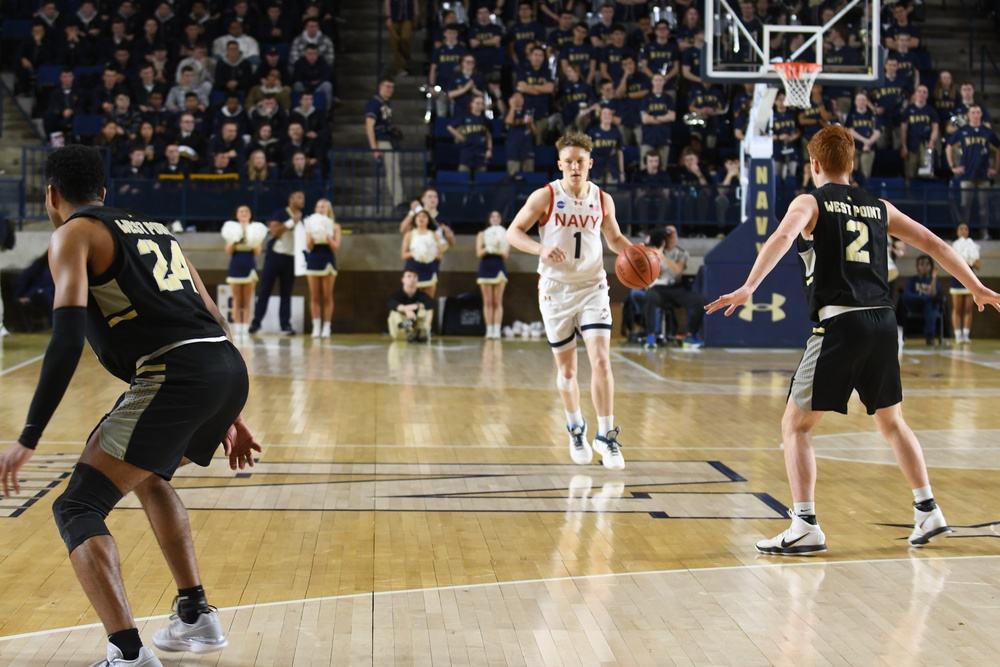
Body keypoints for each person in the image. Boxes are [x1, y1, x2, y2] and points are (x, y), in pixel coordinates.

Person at [0, 145, 261, 666]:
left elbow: (67, 339)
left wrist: (28, 437)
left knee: (77, 505)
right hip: (224, 362)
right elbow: (207, 309)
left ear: (52, 195)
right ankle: (196, 616)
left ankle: (128, 654)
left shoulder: (73, 233)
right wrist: (228, 406)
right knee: (148, 475)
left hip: (175, 374)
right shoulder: (157, 229)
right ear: (105, 191)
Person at [705, 125, 1000, 556]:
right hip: (883, 323)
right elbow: (934, 244)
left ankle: (805, 523)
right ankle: (928, 509)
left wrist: (750, 285)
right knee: (891, 422)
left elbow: (784, 236)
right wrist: (976, 287)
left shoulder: (810, 201)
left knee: (795, 425)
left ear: (815, 164)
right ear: (852, 163)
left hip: (842, 324)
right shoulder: (879, 206)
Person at [506, 132, 636, 470]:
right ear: (560, 164)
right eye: (569, 161)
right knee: (567, 370)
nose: (575, 166)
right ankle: (575, 426)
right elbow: (514, 232)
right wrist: (541, 248)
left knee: (602, 362)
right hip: (556, 289)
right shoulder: (545, 195)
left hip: (593, 286)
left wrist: (639, 255)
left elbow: (615, 238)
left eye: (581, 161)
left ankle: (606, 435)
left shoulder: (602, 199)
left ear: (590, 163)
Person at [249, 190, 305, 335]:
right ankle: (256, 323)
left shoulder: (304, 218)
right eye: (299, 197)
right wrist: (291, 222)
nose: (302, 200)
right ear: (291, 199)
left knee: (286, 293)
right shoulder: (281, 213)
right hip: (275, 256)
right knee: (265, 290)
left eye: (303, 198)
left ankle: (285, 326)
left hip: (291, 258)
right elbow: (274, 231)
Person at [643, 226, 705, 348]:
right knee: (650, 296)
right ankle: (651, 335)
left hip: (675, 287)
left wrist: (663, 256)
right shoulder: (655, 250)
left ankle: (691, 335)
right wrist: (652, 246)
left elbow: (677, 270)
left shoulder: (682, 253)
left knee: (698, 301)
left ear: (677, 236)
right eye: (668, 234)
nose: (671, 236)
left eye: (673, 233)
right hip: (659, 289)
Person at [947, 105, 1000, 238]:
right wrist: (953, 166)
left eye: (977, 112)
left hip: (983, 175)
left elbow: (998, 149)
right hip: (967, 175)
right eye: (973, 112)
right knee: (965, 207)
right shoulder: (962, 131)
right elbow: (949, 147)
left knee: (984, 206)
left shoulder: (987, 132)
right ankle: (964, 233)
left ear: (981, 114)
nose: (975, 115)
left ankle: (984, 231)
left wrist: (995, 168)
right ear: (968, 115)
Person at [221, 205, 266, 341]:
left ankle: (245, 329)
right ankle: (236, 329)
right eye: (241, 211)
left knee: (247, 301)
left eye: (247, 211)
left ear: (251, 214)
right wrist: (234, 239)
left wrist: (254, 240)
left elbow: (258, 252)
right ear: (236, 214)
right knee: (236, 300)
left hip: (249, 264)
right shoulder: (230, 229)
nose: (244, 213)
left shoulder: (256, 229)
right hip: (236, 264)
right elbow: (228, 252)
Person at [303, 199, 342, 339]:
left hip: (328, 259)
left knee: (327, 295)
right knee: (314, 295)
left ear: (329, 209)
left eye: (324, 207)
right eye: (318, 206)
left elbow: (336, 246)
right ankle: (316, 326)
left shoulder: (335, 226)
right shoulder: (309, 224)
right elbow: (308, 246)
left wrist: (327, 235)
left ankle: (327, 326)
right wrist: (313, 235)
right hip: (314, 259)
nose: (321, 209)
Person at [365, 76, 404, 211]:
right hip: (381, 141)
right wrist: (374, 148)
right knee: (393, 171)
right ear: (380, 87)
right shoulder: (375, 102)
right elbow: (369, 125)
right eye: (387, 86)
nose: (390, 89)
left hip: (388, 140)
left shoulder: (387, 103)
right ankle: (398, 202)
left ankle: (399, 200)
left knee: (395, 171)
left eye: (392, 87)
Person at [476, 210, 509, 340]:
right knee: (488, 301)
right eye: (492, 216)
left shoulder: (506, 233)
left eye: (498, 216)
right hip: (485, 267)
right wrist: (488, 248)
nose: (495, 218)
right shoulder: (482, 234)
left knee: (497, 301)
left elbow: (505, 255)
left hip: (499, 266)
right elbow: (478, 253)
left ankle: (497, 330)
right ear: (488, 219)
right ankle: (489, 329)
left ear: (501, 219)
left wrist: (498, 248)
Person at [950, 223, 981, 343]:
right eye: (961, 229)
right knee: (957, 308)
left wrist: (970, 259)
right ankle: (958, 335)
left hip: (969, 278)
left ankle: (966, 335)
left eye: (966, 229)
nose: (963, 231)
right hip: (957, 278)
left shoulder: (973, 245)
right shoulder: (954, 245)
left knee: (968, 308)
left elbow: (978, 265)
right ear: (957, 232)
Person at [401, 210, 444, 297]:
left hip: (429, 268)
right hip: (413, 269)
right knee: (411, 299)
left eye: (424, 216)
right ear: (415, 219)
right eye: (419, 216)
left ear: (428, 220)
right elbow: (404, 255)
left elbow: (439, 255)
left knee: (428, 301)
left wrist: (428, 254)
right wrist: (417, 253)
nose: (421, 218)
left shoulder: (434, 235)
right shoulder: (409, 235)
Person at [387, 269, 435, 342]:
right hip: (401, 331)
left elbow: (432, 303)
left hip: (416, 328)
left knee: (427, 309)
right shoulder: (397, 295)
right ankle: (407, 330)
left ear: (417, 279)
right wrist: (406, 310)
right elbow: (391, 303)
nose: (412, 279)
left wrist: (416, 306)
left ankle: (421, 331)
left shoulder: (421, 295)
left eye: (414, 276)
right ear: (403, 279)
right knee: (394, 312)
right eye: (409, 276)